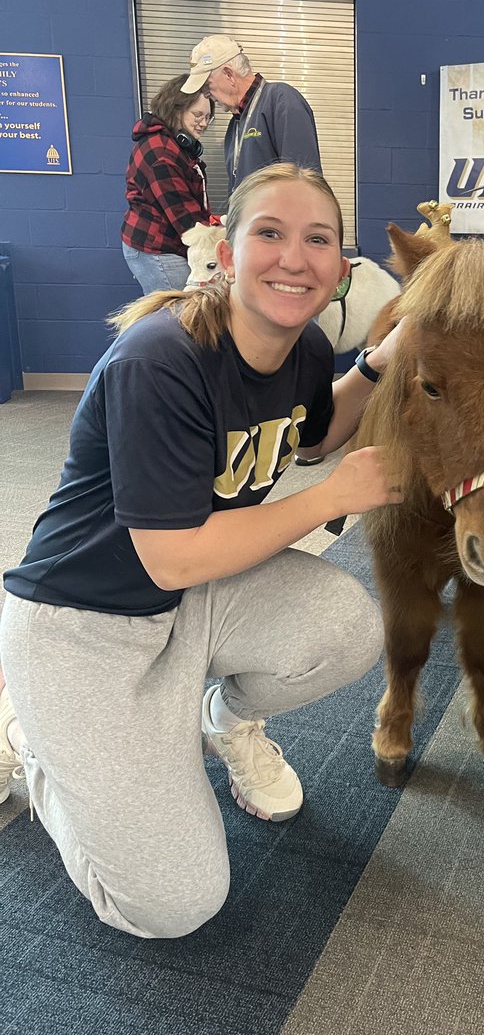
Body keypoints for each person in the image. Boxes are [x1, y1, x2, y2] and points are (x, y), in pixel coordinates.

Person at [0, 163, 404, 939]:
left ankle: (226, 723)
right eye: (271, 234)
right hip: (80, 624)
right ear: (226, 251)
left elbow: (314, 434)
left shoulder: (309, 350)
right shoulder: (161, 359)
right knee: (172, 908)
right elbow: (172, 558)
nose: (296, 256)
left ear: (341, 266)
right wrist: (327, 502)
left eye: (317, 239)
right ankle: (32, 735)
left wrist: (377, 364)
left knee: (350, 626)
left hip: (192, 604)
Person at [181, 35, 321, 198]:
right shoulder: (235, 125)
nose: (205, 94)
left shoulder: (281, 101)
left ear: (229, 75)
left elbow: (305, 184)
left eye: (207, 86)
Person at [121, 74, 215, 295]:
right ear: (176, 110)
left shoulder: (173, 145)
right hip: (158, 249)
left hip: (163, 243)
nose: (203, 123)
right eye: (198, 115)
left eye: (208, 117)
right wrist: (219, 239)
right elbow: (185, 217)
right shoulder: (161, 153)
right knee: (181, 316)